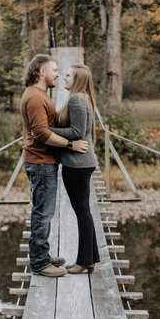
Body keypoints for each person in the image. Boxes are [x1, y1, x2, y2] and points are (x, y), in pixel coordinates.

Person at [20, 54, 88, 277]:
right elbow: (41, 133)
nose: (58, 74)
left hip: (43, 161)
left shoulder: (39, 95)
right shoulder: (35, 97)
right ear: (41, 71)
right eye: (54, 70)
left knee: (44, 212)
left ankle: (42, 253)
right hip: (40, 162)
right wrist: (71, 143)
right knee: (43, 213)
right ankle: (39, 263)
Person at [49, 64, 100, 274]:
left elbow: (77, 131)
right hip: (81, 163)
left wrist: (46, 131)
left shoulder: (77, 100)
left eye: (68, 75)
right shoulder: (82, 98)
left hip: (77, 164)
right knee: (84, 211)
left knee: (83, 212)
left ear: (77, 79)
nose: (64, 77)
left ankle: (83, 261)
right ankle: (90, 258)